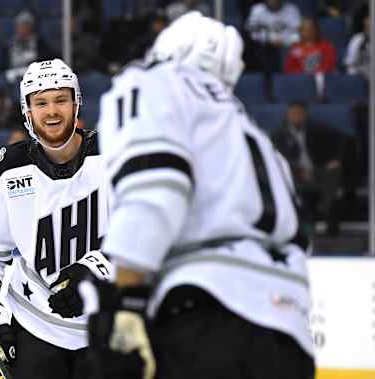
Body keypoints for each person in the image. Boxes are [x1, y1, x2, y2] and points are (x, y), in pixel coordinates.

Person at [79, 11, 315, 379]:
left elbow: (155, 187)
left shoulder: (153, 82)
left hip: (204, 315)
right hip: (290, 336)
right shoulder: (253, 132)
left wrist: (125, 300)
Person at [0, 58, 113, 379]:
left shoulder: (117, 156)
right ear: (27, 112)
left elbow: (152, 236)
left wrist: (97, 272)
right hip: (34, 329)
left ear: (76, 104)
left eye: (60, 100)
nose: (51, 111)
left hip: (109, 328)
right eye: (40, 102)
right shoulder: (3, 171)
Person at [271, 102, 346, 235]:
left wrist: (334, 159)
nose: (296, 117)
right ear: (287, 115)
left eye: (299, 113)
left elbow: (339, 143)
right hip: (295, 173)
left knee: (334, 171)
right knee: (288, 179)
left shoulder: (318, 129)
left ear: (306, 115)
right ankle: (315, 215)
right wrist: (299, 170)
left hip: (318, 170)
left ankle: (324, 207)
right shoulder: (278, 134)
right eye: (293, 113)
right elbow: (279, 159)